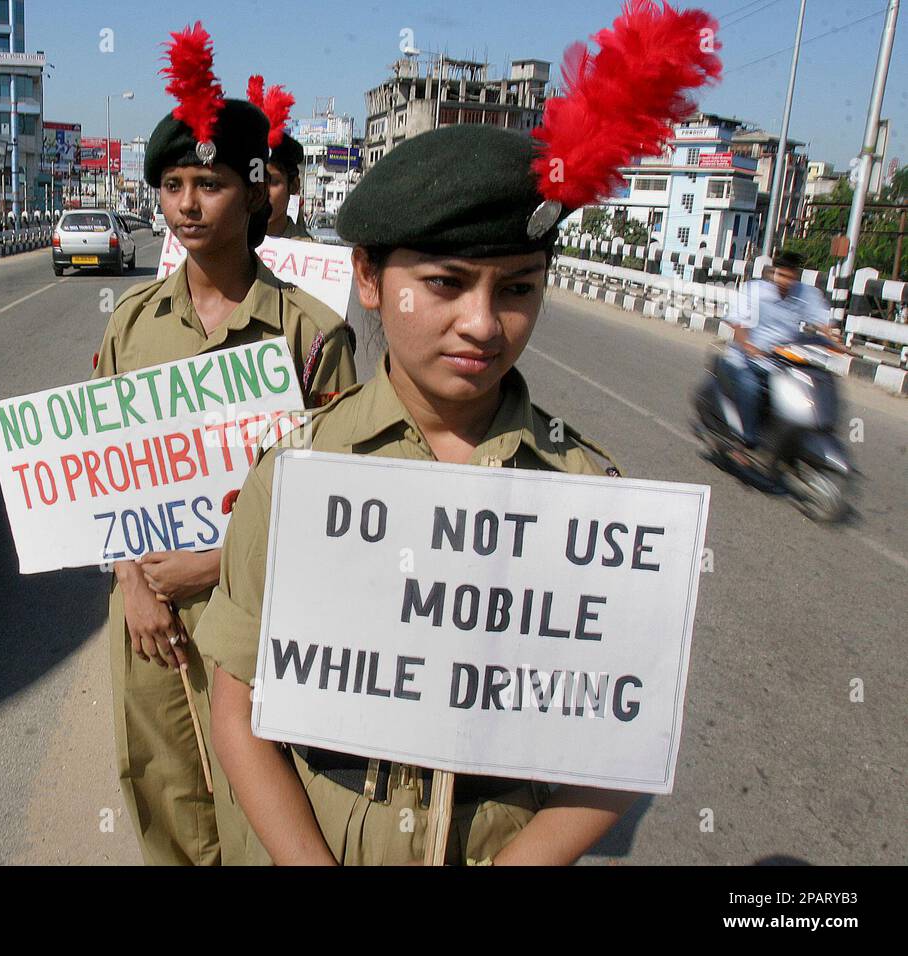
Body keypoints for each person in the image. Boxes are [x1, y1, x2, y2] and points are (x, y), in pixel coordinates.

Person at [193, 0, 721, 865]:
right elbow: (238, 707)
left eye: (516, 288)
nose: (482, 323)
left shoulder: (590, 500)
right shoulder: (297, 473)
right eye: (444, 283)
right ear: (369, 277)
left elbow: (621, 747)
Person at [92, 21, 357, 866]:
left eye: (208, 183)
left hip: (260, 621)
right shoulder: (131, 325)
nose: (188, 205)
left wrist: (216, 565)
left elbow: (338, 506)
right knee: (164, 783)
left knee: (259, 797)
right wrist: (134, 581)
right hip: (147, 616)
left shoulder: (312, 337)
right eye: (172, 185)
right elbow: (103, 474)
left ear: (253, 195)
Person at [724, 249, 837, 455]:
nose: (786, 281)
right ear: (773, 273)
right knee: (750, 386)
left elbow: (822, 320)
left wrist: (833, 339)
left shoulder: (805, 293)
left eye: (791, 276)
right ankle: (745, 442)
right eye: (782, 275)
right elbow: (738, 323)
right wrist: (748, 346)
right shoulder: (755, 290)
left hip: (785, 362)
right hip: (749, 359)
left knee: (815, 385)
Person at [247, 76, 312, 242]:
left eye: (272, 182)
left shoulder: (310, 253)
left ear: (294, 185)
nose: (260, 192)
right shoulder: (223, 247)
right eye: (252, 179)